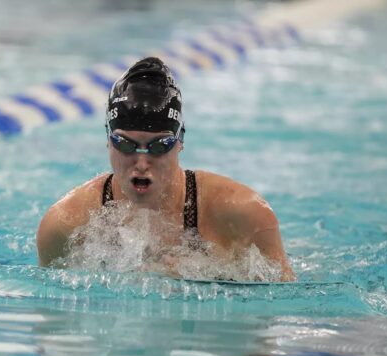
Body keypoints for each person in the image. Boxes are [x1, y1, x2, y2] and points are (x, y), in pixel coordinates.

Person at [37, 57, 295, 282]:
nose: (141, 162)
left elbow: (280, 309)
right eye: (125, 144)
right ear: (108, 139)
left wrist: (208, 279)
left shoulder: (242, 212)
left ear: (179, 142)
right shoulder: (65, 224)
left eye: (159, 146)